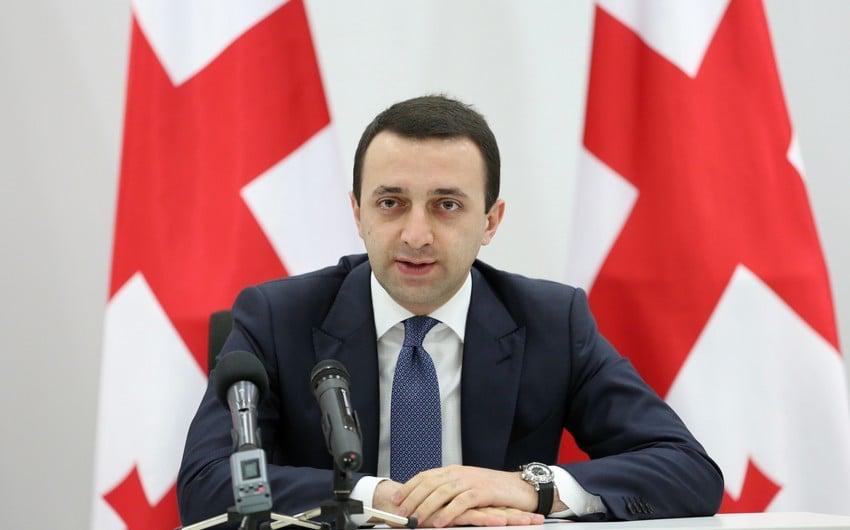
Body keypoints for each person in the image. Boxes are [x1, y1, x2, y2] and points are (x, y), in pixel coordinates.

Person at [177, 95, 724, 526]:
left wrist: (529, 487)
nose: (416, 235)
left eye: (447, 205)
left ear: (490, 221)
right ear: (358, 213)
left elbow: (686, 470)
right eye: (390, 203)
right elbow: (206, 485)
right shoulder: (277, 318)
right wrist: (374, 497)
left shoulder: (551, 322)